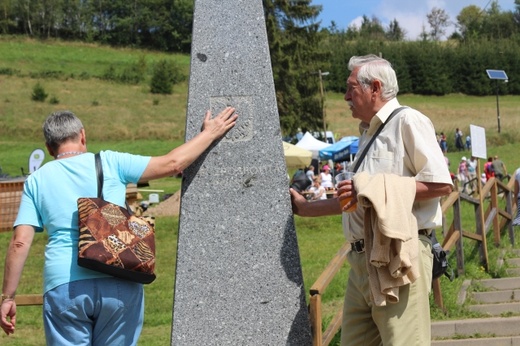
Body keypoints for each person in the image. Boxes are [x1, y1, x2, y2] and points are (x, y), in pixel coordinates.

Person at [0, 108, 238, 344]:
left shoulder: (36, 180)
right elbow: (173, 163)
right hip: (118, 276)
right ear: (83, 136)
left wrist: (8, 297)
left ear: (49, 147)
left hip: (64, 285)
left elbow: (20, 242)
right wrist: (210, 133)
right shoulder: (110, 162)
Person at [290, 54, 452, 345]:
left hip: (399, 256)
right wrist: (305, 208)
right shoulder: (367, 134)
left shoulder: (408, 120)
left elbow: (441, 183)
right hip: (361, 262)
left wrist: (372, 187)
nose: (345, 96)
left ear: (375, 88)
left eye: (352, 88)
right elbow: (358, 199)